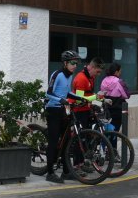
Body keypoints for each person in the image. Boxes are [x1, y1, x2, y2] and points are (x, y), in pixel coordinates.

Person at [44, 50, 81, 183]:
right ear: (65, 63)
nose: (75, 65)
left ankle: (66, 172)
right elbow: (48, 93)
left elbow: (68, 93)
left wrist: (81, 98)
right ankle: (50, 173)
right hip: (53, 110)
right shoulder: (57, 74)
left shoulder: (69, 75)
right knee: (53, 142)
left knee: (66, 142)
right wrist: (61, 100)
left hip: (63, 110)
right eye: (72, 63)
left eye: (76, 63)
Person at [71, 57, 105, 171]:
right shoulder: (81, 78)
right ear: (92, 67)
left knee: (87, 136)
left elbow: (89, 94)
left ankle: (84, 161)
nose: (98, 74)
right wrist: (96, 96)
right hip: (78, 111)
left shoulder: (91, 77)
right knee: (79, 138)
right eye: (98, 71)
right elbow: (79, 100)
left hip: (86, 110)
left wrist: (102, 100)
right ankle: (77, 165)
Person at [100, 62, 130, 133]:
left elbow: (102, 93)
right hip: (117, 109)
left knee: (107, 130)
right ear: (116, 72)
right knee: (115, 131)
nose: (120, 74)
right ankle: (113, 144)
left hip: (106, 109)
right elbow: (126, 95)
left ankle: (106, 144)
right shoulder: (119, 82)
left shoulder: (104, 81)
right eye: (120, 72)